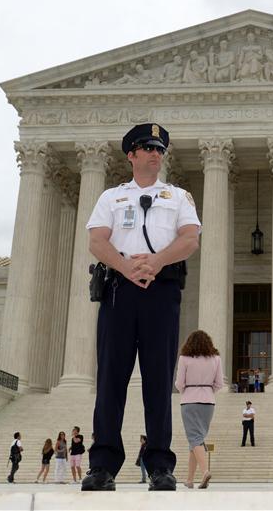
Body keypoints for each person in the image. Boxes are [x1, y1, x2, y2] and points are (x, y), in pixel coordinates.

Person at [82, 123, 201, 492]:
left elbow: (190, 239)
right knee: (110, 379)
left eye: (159, 149)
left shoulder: (178, 196)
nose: (155, 153)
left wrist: (157, 261)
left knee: (158, 379)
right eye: (147, 147)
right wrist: (127, 266)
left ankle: (161, 464)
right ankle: (102, 465)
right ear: (131, 155)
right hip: (119, 289)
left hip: (161, 290)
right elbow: (97, 241)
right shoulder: (111, 198)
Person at [175, 330, 223, 489]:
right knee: (196, 439)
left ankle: (205, 471)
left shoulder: (184, 358)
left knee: (194, 438)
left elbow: (179, 383)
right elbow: (219, 384)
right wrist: (207, 391)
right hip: (208, 402)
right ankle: (189, 480)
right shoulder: (216, 359)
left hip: (189, 400)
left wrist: (187, 392)